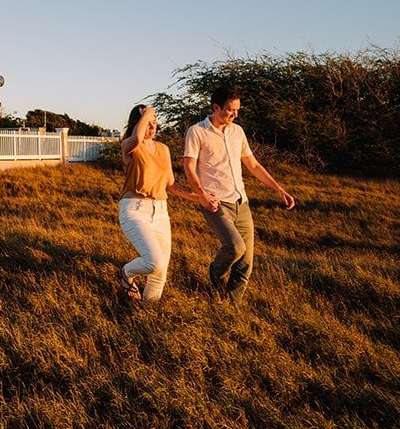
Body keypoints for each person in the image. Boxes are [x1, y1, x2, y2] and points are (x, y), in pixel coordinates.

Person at [183, 85, 295, 304]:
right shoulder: (197, 131)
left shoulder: (238, 131)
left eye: (237, 110)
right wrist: (202, 195)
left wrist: (278, 189)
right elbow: (189, 167)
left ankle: (233, 305)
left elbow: (252, 165)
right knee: (235, 247)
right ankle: (215, 273)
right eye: (230, 110)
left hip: (240, 201)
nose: (235, 115)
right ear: (216, 107)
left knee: (246, 262)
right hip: (215, 202)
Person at [117, 103, 203, 301]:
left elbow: (172, 185)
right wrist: (147, 112)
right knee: (154, 262)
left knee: (160, 271)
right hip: (134, 210)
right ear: (137, 124)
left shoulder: (163, 149)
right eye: (147, 123)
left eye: (154, 123)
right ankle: (125, 273)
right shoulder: (129, 146)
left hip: (161, 212)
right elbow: (137, 137)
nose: (152, 127)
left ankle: (147, 312)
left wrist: (201, 198)